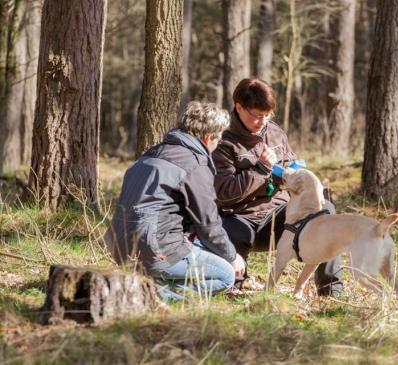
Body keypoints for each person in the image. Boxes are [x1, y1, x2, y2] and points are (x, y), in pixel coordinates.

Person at [212, 78, 343, 296]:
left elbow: (289, 165)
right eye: (256, 115)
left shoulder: (274, 132)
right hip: (241, 218)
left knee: (326, 212)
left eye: (267, 115)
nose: (262, 121)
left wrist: (294, 172)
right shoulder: (223, 141)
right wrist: (261, 169)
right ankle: (233, 286)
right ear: (238, 106)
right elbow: (225, 194)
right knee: (230, 230)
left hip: (282, 214)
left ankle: (332, 291)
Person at [105, 101, 245, 300]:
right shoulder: (194, 164)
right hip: (154, 249)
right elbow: (208, 225)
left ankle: (148, 283)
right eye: (218, 139)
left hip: (117, 246)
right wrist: (232, 257)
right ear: (208, 138)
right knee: (225, 275)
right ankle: (147, 295)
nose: (218, 144)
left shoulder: (152, 153)